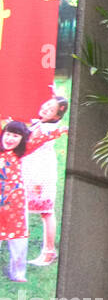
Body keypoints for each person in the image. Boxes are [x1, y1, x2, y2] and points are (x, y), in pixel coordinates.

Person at [1, 118, 67, 283]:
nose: (10, 139)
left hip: (15, 207)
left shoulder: (21, 153)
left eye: (16, 136)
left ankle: (18, 273)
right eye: (8, 134)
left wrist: (60, 131)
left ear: (22, 140)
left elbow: (39, 139)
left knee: (18, 240)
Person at [24, 93, 68, 266]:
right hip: (30, 169)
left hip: (40, 173)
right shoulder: (39, 122)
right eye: (46, 105)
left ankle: (49, 251)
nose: (45, 109)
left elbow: (29, 146)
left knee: (46, 211)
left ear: (56, 116)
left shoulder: (49, 128)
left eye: (51, 110)